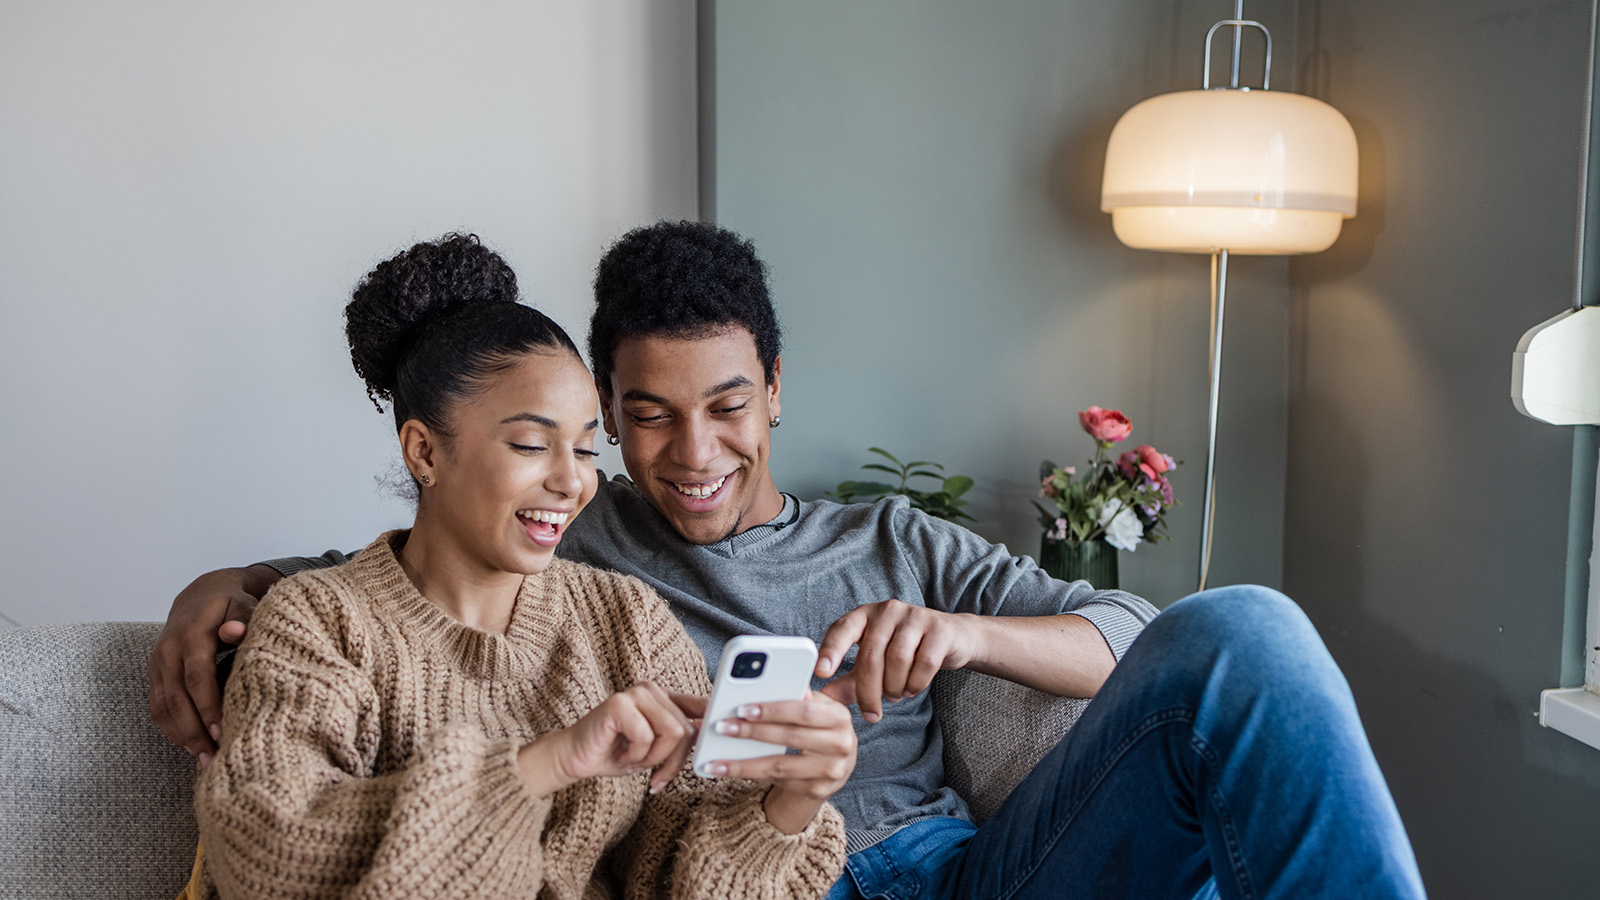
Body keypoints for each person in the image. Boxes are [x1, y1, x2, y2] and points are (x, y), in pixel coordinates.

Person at [154, 222, 1427, 899]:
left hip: (969, 874)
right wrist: (226, 589)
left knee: (1247, 627)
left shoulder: (892, 540)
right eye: (643, 415)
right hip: (766, 883)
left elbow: (1129, 634)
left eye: (725, 405)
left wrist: (965, 634)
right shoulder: (575, 549)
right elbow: (408, 571)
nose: (689, 451)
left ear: (773, 394)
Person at [183, 233, 849, 900]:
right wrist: (544, 765)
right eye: (532, 444)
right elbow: (265, 852)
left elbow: (680, 877)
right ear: (424, 452)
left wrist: (788, 803)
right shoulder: (320, 623)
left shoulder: (628, 620)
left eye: (586, 450)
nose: (571, 482)